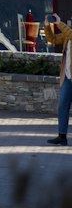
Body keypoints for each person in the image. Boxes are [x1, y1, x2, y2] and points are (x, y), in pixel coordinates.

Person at [43, 13, 72, 146]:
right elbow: (53, 39)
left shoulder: (69, 33)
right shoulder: (67, 35)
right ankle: (62, 136)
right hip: (67, 76)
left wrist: (59, 23)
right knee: (62, 106)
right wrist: (47, 26)